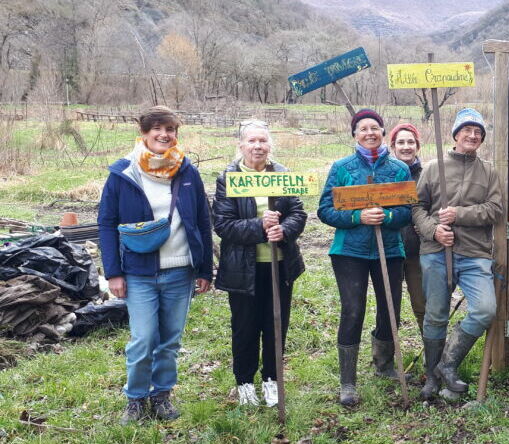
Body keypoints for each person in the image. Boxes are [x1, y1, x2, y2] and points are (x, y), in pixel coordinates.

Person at [98, 106, 213, 424]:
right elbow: (106, 224)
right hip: (138, 273)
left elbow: (203, 220)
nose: (164, 135)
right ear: (144, 133)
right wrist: (114, 272)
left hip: (180, 271)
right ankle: (135, 398)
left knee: (170, 341)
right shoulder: (123, 173)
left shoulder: (187, 171)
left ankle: (161, 395)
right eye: (157, 129)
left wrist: (205, 268)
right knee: (144, 339)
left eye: (170, 129)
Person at [318, 108, 413, 407]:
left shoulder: (399, 169)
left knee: (390, 308)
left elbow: (407, 211)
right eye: (363, 129)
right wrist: (358, 216)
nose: (369, 133)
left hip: (390, 250)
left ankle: (384, 365)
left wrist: (387, 216)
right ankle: (348, 381)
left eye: (374, 127)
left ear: (383, 132)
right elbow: (325, 210)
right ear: (354, 135)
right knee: (353, 310)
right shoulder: (342, 168)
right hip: (350, 251)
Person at [213, 120, 307, 407]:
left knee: (276, 324)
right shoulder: (228, 178)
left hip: (279, 265)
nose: (258, 146)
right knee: (245, 327)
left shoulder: (282, 174)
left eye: (263, 141)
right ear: (241, 145)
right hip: (242, 269)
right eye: (252, 141)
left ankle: (271, 380)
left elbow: (298, 213)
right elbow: (223, 225)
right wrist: (259, 226)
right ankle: (244, 382)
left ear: (270, 145)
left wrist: (284, 230)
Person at [412, 108, 503, 401]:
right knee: (436, 314)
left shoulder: (488, 172)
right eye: (467, 130)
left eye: (478, 132)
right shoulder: (432, 168)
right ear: (455, 134)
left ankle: (447, 364)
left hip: (475, 253)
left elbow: (495, 209)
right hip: (436, 251)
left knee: (485, 309)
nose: (472, 136)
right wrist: (434, 231)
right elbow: (417, 207)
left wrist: (459, 214)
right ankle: (431, 377)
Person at [389, 123, 426, 333]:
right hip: (390, 249)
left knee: (422, 304)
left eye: (410, 142)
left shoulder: (427, 174)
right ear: (393, 146)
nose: (406, 147)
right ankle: (386, 351)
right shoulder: (385, 174)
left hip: (418, 251)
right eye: (401, 142)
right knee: (389, 306)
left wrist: (429, 225)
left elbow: (436, 206)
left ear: (417, 146)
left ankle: (432, 349)